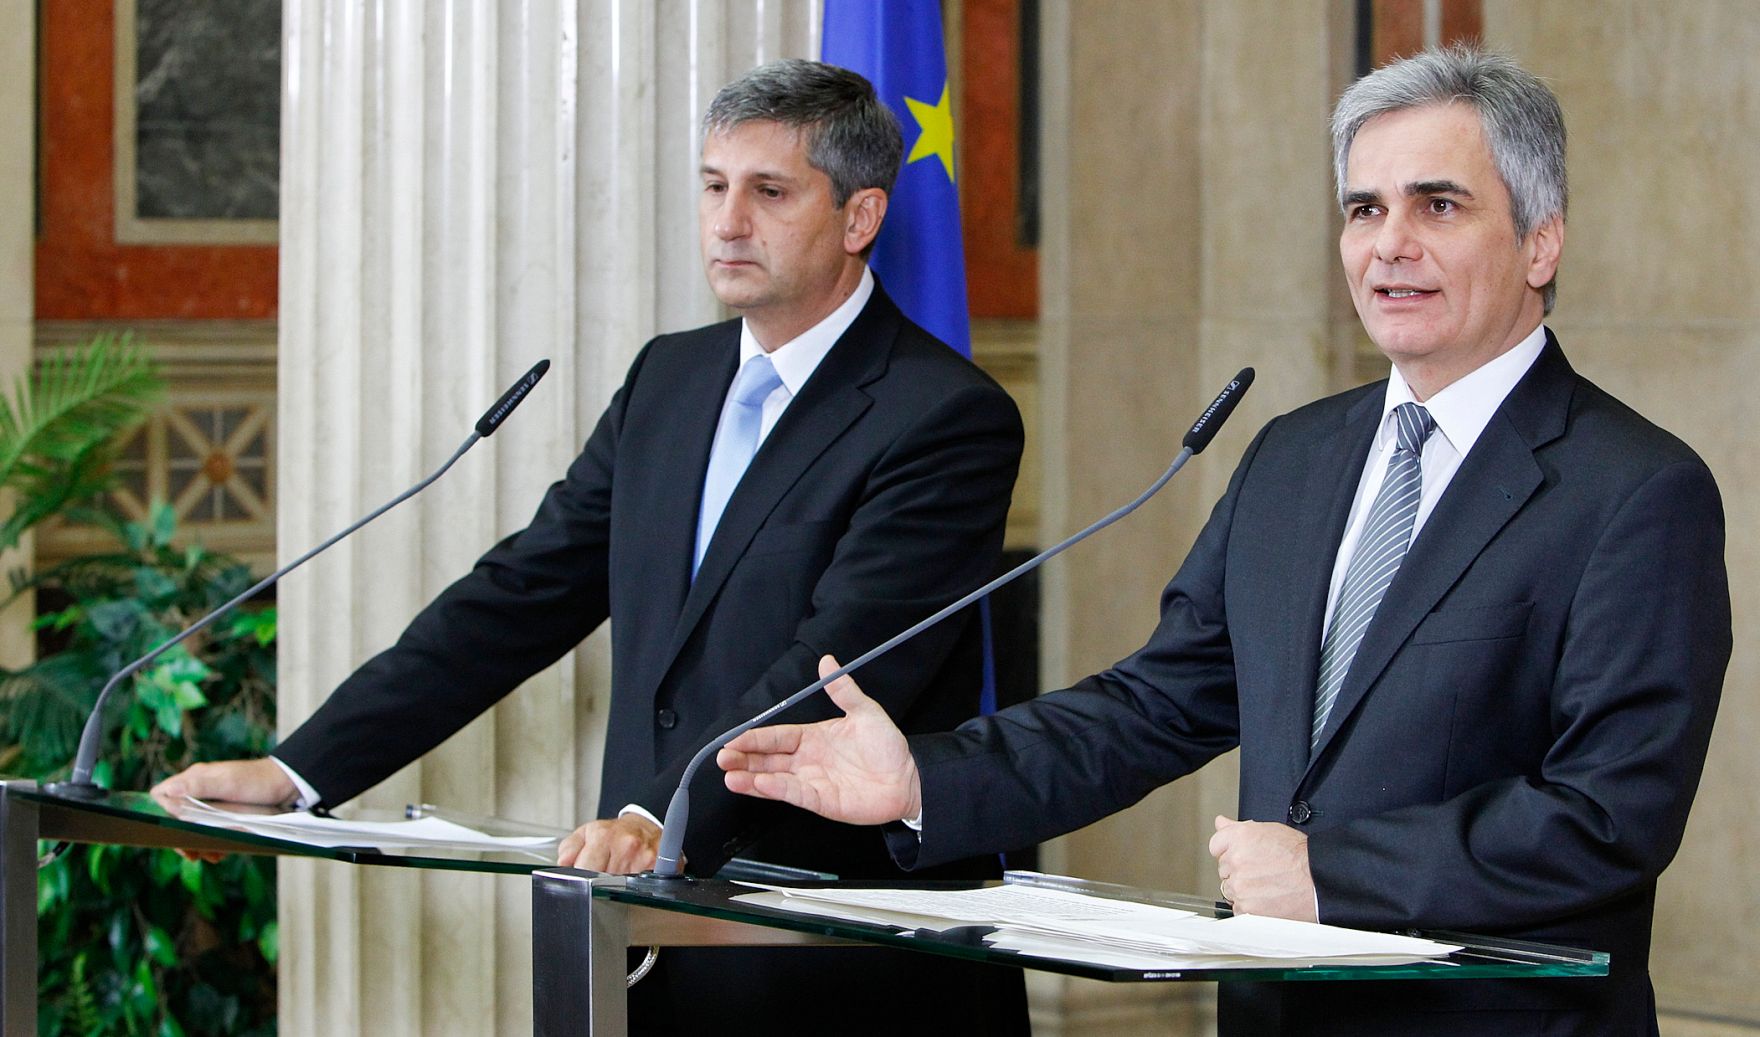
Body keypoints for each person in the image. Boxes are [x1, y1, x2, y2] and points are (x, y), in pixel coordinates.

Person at [719, 45, 1729, 1037]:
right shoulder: (1293, 457)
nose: (1387, 244)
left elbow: (1608, 813)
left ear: (1539, 242)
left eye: (1438, 205)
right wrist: (925, 778)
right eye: (1362, 209)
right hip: (1271, 1011)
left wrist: (1328, 872)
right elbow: (1153, 704)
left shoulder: (1633, 489)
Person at [154, 59, 1027, 1033]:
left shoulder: (943, 416)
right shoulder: (668, 377)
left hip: (835, 959)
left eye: (767, 192)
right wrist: (299, 772)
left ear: (859, 217)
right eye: (711, 186)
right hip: (641, 948)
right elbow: (519, 595)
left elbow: (830, 668)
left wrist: (655, 817)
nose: (727, 222)